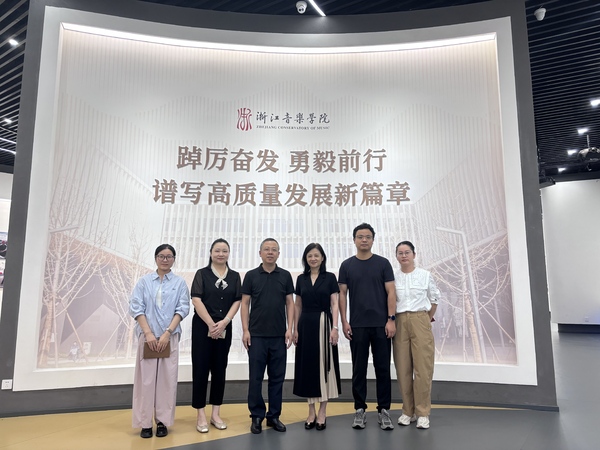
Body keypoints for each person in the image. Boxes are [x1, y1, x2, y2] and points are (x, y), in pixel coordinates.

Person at [338, 223, 397, 431]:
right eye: (360, 236)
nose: (364, 240)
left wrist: (391, 319)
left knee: (383, 368)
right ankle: (359, 409)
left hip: (382, 325)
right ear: (354, 239)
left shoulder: (383, 263)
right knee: (358, 369)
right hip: (357, 326)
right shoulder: (347, 265)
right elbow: (342, 294)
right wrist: (344, 321)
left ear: (373, 239)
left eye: (368, 236)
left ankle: (384, 410)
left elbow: (391, 292)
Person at [129, 244, 190, 439]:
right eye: (161, 256)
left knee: (167, 381)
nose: (165, 259)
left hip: (169, 338)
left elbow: (183, 308)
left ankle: (162, 422)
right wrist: (148, 333)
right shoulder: (144, 282)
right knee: (145, 382)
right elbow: (136, 306)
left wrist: (167, 333)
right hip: (147, 337)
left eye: (169, 256)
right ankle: (145, 423)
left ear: (174, 259)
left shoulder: (180, 283)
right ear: (155, 258)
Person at [241, 238, 295, 434]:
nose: (270, 252)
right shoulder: (251, 276)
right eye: (266, 249)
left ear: (278, 254)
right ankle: (256, 416)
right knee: (255, 378)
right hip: (256, 336)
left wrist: (290, 328)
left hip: (279, 336)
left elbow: (290, 303)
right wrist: (245, 330)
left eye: (274, 250)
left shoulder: (285, 276)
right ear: (260, 253)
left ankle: (274, 416)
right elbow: (245, 303)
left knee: (277, 378)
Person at [190, 238, 242, 433]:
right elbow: (196, 299)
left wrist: (224, 322)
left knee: (220, 369)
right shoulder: (202, 274)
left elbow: (237, 300)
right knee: (201, 369)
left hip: (224, 327)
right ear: (211, 253)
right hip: (203, 327)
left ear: (229, 254)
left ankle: (216, 414)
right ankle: (201, 414)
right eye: (217, 250)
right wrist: (211, 324)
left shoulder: (235, 276)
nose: (221, 254)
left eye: (224, 251)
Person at [293, 243, 341, 431]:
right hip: (305, 325)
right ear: (306, 259)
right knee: (308, 367)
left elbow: (334, 304)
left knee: (324, 367)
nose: (313, 259)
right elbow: (297, 305)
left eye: (316, 255)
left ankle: (322, 411)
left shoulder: (330, 278)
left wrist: (335, 327)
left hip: (324, 324)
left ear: (322, 258)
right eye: (309, 256)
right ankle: (311, 411)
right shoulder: (301, 279)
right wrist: (295, 329)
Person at [393, 241, 440, 430]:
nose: (404, 256)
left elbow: (434, 299)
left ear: (414, 254)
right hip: (399, 321)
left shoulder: (425, 275)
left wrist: (425, 320)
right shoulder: (393, 277)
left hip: (420, 318)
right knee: (403, 368)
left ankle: (422, 413)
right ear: (396, 256)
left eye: (407, 252)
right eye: (400, 253)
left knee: (423, 369)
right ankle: (408, 411)